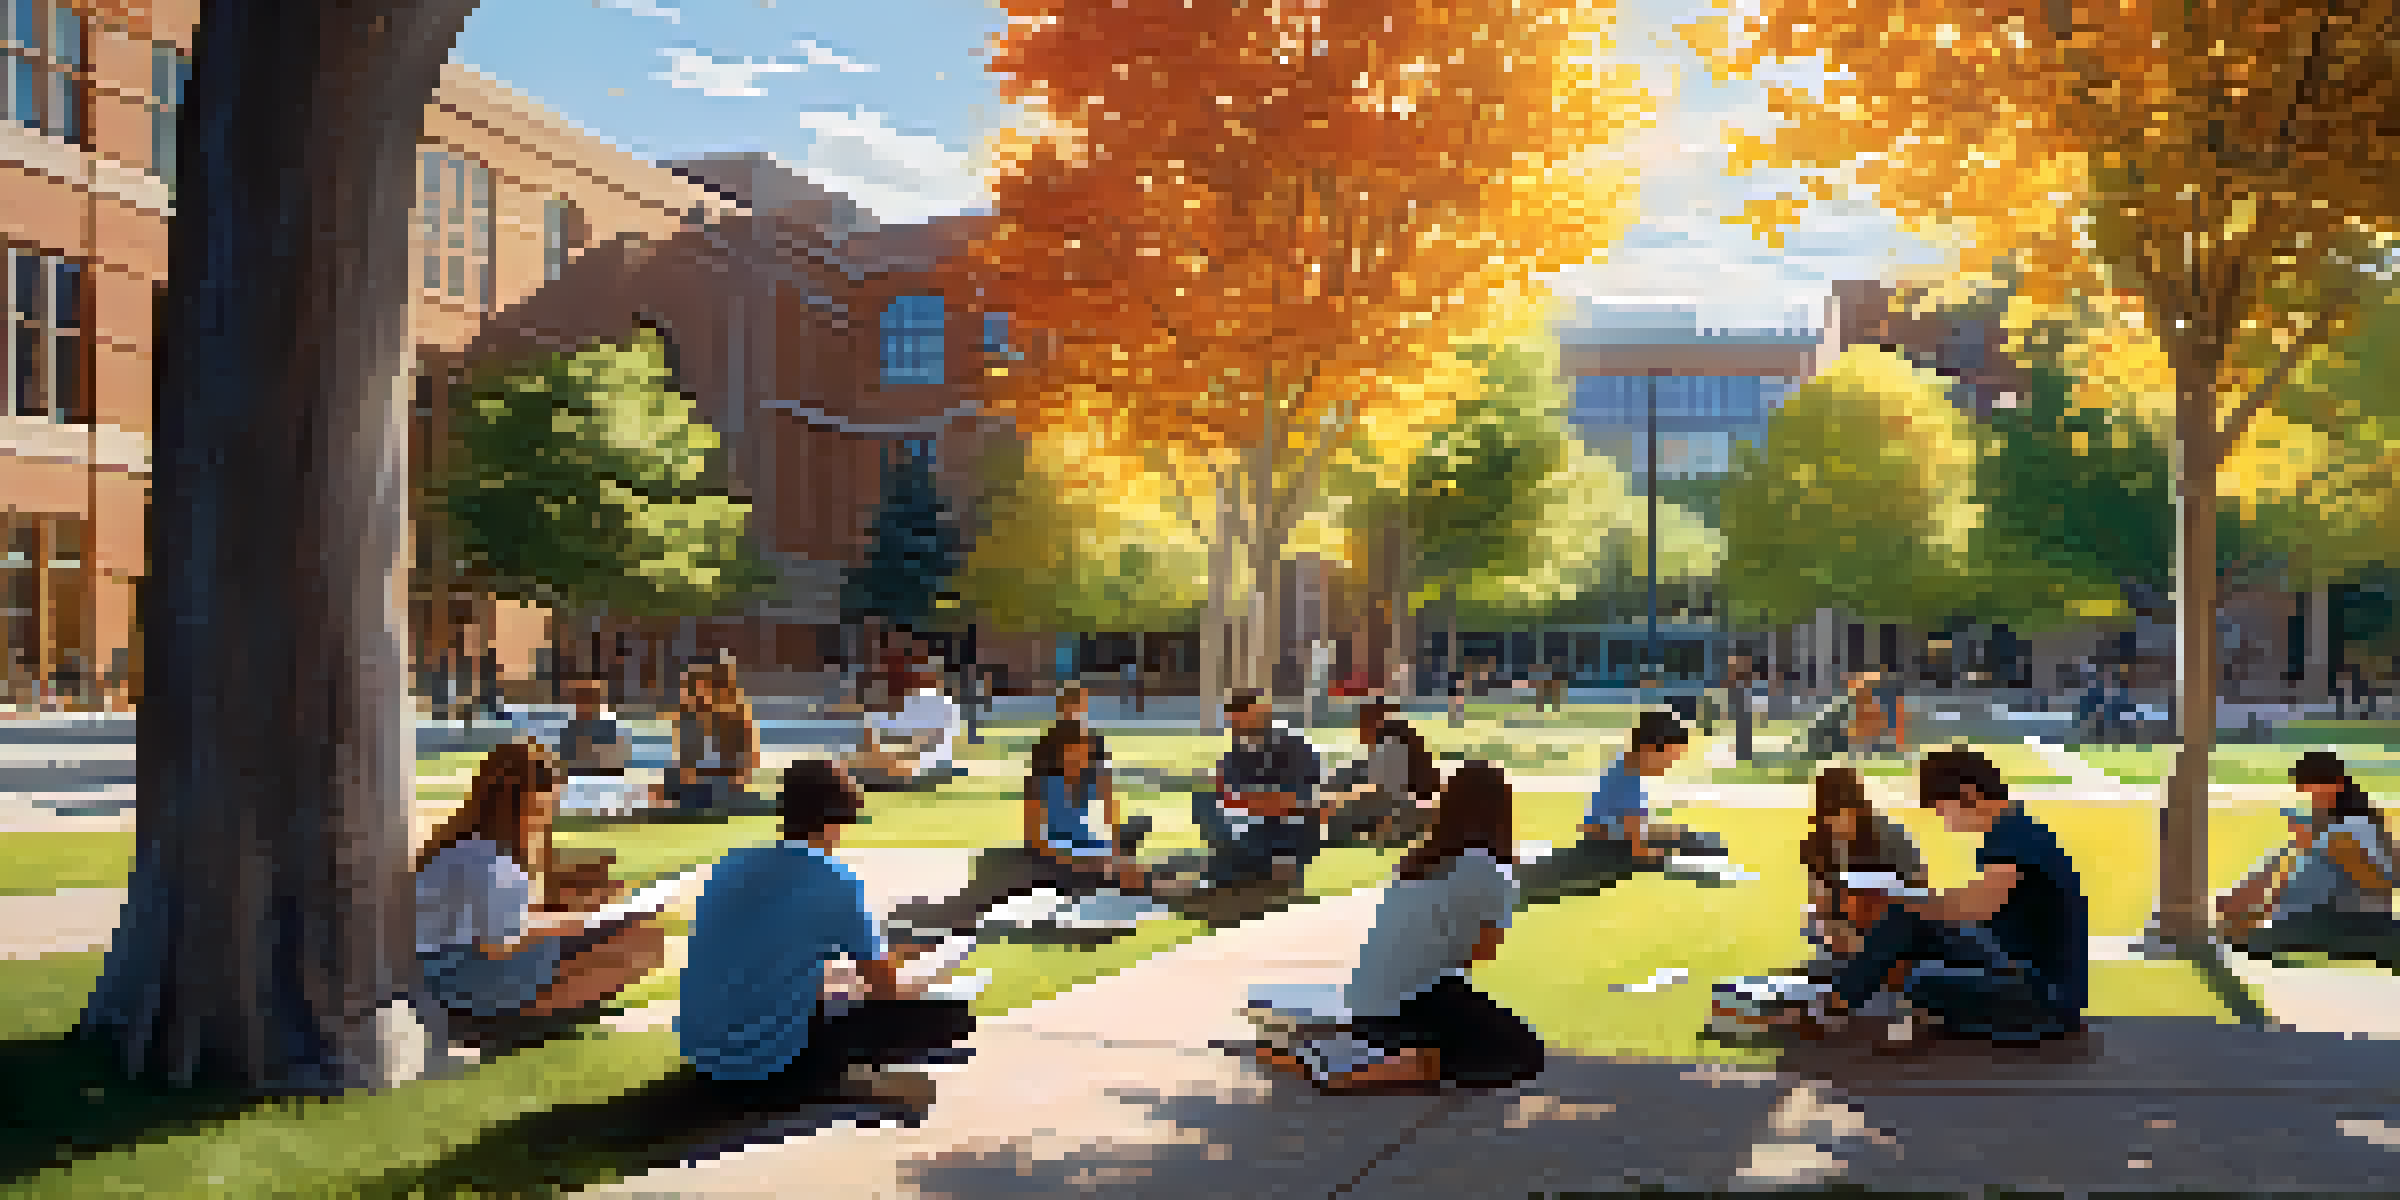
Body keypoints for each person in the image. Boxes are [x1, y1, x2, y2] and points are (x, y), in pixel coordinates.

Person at [679, 759, 978, 1092]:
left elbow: (763, 960)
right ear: (838, 818)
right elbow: (885, 992)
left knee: (836, 987)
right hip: (772, 1062)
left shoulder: (729, 867)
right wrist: (924, 979)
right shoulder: (835, 880)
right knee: (951, 1010)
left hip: (703, 1052)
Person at [1246, 761, 1545, 1094]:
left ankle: (1340, 1052)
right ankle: (1374, 1069)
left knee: (1458, 1023)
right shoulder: (1494, 872)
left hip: (1364, 1000)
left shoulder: (1417, 861)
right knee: (1522, 1051)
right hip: (1416, 1000)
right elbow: (1483, 953)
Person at [1775, 747, 2088, 1046]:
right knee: (1907, 928)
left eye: (1942, 809)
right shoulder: (2015, 829)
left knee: (1917, 976)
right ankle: (1837, 1003)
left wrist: (1907, 903)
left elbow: (1976, 907)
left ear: (1968, 794)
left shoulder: (2013, 837)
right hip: (2021, 969)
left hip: (2043, 998)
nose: (1944, 821)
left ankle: (1836, 1005)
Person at [414, 739, 668, 1038]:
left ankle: (537, 1009)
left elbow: (509, 916)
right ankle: (515, 1019)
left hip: (460, 971)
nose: (546, 821)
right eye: (543, 809)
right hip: (466, 979)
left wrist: (583, 908)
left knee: (634, 936)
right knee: (641, 942)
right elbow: (500, 942)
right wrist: (576, 921)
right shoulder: (488, 859)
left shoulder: (476, 847)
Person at [886, 693, 1155, 952]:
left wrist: (1112, 853)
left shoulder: (1091, 778)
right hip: (1049, 857)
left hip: (1083, 851)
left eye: (1088, 753)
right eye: (1078, 752)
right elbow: (1038, 841)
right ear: (1061, 753)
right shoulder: (1041, 784)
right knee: (981, 891)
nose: (1085, 759)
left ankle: (1121, 888)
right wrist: (1090, 860)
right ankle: (919, 918)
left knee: (1130, 860)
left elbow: (1108, 815)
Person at [1513, 710, 1727, 907]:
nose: (1667, 768)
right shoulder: (1628, 780)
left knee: (1690, 839)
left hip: (1609, 843)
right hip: (1606, 853)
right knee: (1550, 876)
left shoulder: (1626, 767)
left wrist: (1676, 837)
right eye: (1668, 760)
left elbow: (1634, 827)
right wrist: (1670, 857)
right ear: (1649, 749)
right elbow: (1637, 848)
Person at [2218, 752, 2400, 971]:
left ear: (2337, 785)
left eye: (2311, 787)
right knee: (2235, 928)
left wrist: (2321, 845)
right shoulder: (2322, 829)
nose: (2307, 795)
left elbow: (2378, 884)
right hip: (2315, 918)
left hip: (2341, 922)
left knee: (2238, 938)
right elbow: (2289, 876)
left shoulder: (2356, 828)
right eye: (2302, 788)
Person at [1797, 766, 1929, 967]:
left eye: (1846, 811)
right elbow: (1820, 898)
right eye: (1831, 814)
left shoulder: (1891, 836)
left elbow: (1919, 886)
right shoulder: (1817, 844)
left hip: (1892, 919)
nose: (1840, 822)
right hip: (1842, 924)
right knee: (1811, 921)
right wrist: (1837, 931)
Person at [1192, 689, 1325, 888]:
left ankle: (1278, 863)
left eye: (1243, 716)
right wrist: (1244, 801)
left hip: (1287, 831)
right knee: (1203, 799)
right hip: (1251, 828)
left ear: (1262, 711)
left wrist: (1243, 801)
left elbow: (1291, 803)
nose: (1236, 725)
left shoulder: (1294, 747)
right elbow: (1224, 798)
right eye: (1233, 720)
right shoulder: (1235, 755)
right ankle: (1234, 862)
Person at [1324, 700, 1444, 848]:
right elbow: (1356, 773)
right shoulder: (1393, 741)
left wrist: (1341, 799)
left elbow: (1386, 793)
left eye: (1362, 724)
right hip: (1405, 807)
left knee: (1337, 821)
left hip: (1405, 811)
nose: (1360, 731)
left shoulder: (1390, 746)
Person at [660, 653, 760, 812]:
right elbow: (685, 762)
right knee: (669, 783)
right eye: (693, 686)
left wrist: (737, 782)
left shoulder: (736, 715)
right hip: (696, 782)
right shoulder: (687, 718)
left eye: (705, 685)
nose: (699, 692)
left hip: (725, 783)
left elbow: (745, 763)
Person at [850, 656, 964, 790]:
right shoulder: (931, 700)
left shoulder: (932, 701)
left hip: (924, 762)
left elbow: (922, 738)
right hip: (924, 761)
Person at [557, 674, 643, 816]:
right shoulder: (570, 728)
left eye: (590, 697)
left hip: (610, 785)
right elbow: (568, 763)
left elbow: (617, 761)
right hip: (579, 786)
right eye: (580, 698)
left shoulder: (612, 725)